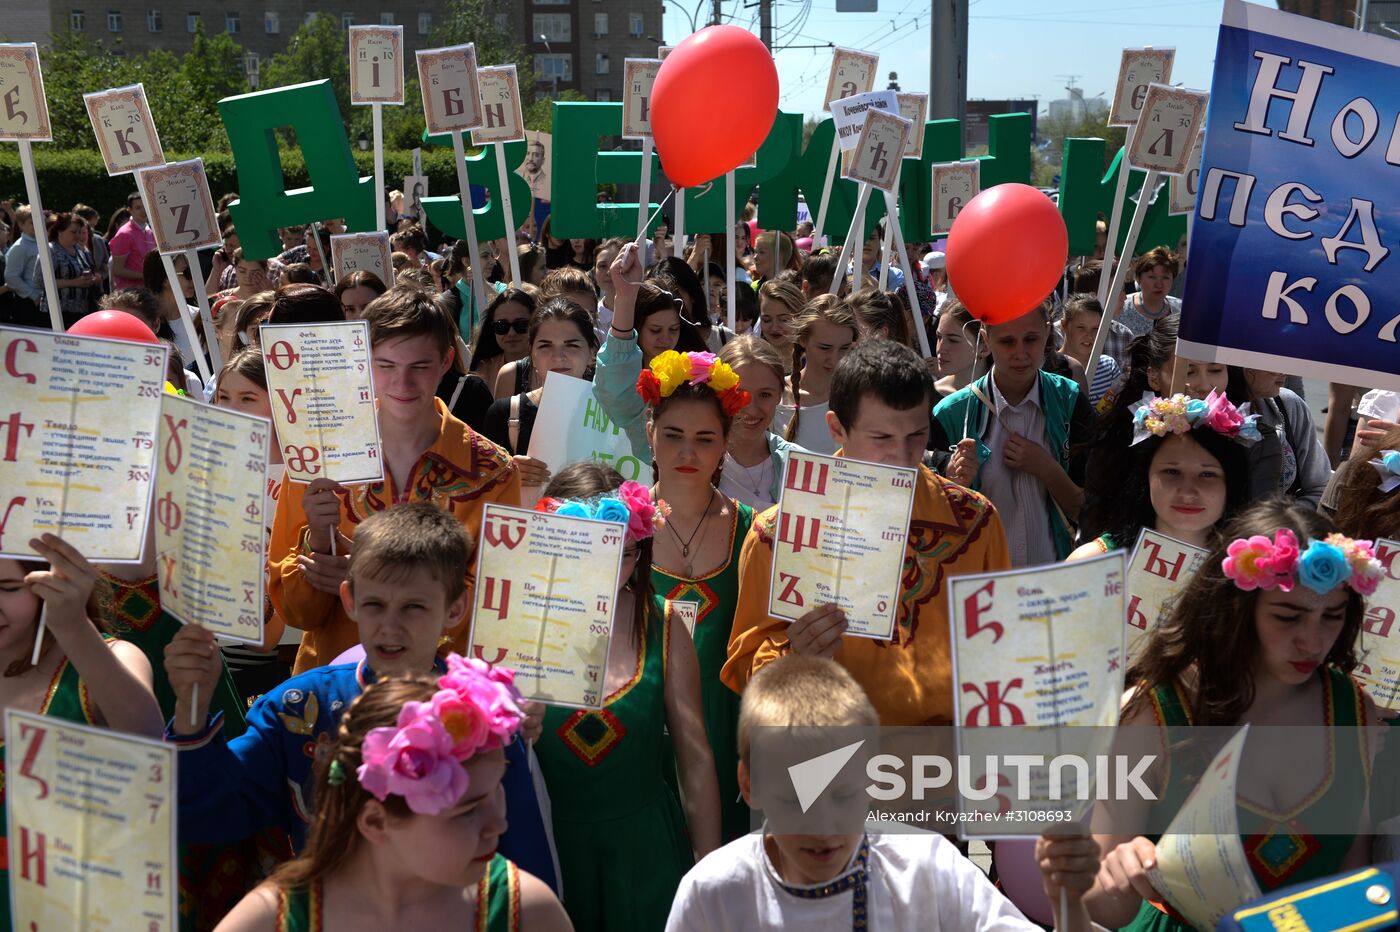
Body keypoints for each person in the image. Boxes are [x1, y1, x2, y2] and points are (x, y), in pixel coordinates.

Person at [169, 505, 556, 891]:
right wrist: (192, 707)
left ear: (455, 608)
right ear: (350, 600)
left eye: (413, 607)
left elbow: (522, 870)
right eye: (375, 604)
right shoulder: (297, 709)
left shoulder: (480, 717)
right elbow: (210, 812)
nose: (391, 626)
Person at [1085, 500, 1379, 930]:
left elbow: (1352, 880)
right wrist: (1120, 877)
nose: (1313, 642)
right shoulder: (1153, 713)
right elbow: (1097, 906)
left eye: (1332, 616)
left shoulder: (1354, 711)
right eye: (1287, 617)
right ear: (1236, 610)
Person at [669, 654, 1102, 931]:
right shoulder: (714, 895)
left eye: (843, 796)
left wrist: (1068, 906)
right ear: (750, 785)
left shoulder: (927, 869)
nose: (823, 827)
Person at [723, 339, 1011, 724]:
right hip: (831, 765)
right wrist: (794, 658)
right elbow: (746, 669)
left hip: (942, 769)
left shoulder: (975, 522)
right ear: (837, 428)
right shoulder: (777, 533)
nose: (903, 456)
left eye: (917, 436)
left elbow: (1002, 657)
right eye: (882, 438)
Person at [268, 289, 521, 672]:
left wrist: (371, 577)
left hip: (443, 697)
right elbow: (296, 613)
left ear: (446, 362)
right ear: (362, 363)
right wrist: (318, 541)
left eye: (419, 366)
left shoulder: (493, 471)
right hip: (334, 692)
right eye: (386, 365)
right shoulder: (317, 453)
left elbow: (496, 604)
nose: (402, 383)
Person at [213, 664, 571, 932]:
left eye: (496, 792)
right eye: (467, 811)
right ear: (375, 822)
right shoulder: (275, 919)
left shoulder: (524, 913)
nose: (499, 823)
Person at [534, 465, 721, 930]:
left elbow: (694, 757)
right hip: (550, 855)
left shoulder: (665, 622)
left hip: (646, 856)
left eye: (625, 553)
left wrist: (710, 877)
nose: (607, 569)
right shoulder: (515, 629)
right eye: (590, 550)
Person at [0, 538, 165, 918]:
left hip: (73, 907)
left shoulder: (112, 659)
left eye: (7, 588)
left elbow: (148, 745)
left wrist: (73, 627)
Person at [633, 347, 758, 840]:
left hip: (730, 728)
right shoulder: (619, 530)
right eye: (674, 436)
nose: (688, 453)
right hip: (645, 732)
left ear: (726, 443)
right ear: (650, 434)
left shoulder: (753, 532)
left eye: (705, 439)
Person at [932, 301, 1094, 565]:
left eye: (1030, 339)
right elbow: (930, 519)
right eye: (1007, 342)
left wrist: (1047, 469)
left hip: (1054, 582)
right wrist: (955, 482)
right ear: (985, 341)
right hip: (982, 587)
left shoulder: (1070, 401)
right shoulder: (950, 415)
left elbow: (1091, 510)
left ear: (1046, 334)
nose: (1021, 353)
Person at [1067, 392, 1255, 559]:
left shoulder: (1253, 574)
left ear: (1232, 482)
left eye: (1207, 474)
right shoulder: (1093, 562)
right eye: (1172, 472)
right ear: (1145, 476)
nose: (1187, 494)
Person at [212, 347, 291, 700]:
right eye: (223, 397)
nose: (231, 409)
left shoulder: (302, 477)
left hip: (286, 651)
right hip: (216, 646)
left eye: (247, 398)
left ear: (279, 404)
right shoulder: (202, 470)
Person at [592, 246, 696, 459]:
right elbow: (616, 385)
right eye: (655, 330)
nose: (665, 338)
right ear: (638, 326)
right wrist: (625, 297)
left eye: (673, 330)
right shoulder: (623, 379)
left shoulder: (695, 374)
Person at [482, 297, 598, 478]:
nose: (558, 356)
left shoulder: (616, 414)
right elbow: (486, 491)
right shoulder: (504, 415)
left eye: (572, 345)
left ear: (592, 353)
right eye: (545, 346)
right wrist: (507, 476)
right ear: (532, 356)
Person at [717, 336, 800, 511]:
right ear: (718, 393)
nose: (752, 409)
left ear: (779, 394)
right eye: (739, 394)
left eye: (764, 395)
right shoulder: (699, 460)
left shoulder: (799, 464)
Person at [772, 295, 859, 455]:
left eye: (844, 348)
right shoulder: (776, 396)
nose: (835, 359)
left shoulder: (860, 399)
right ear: (803, 340)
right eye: (825, 348)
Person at [1239, 367, 1332, 508]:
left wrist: (1283, 521)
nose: (1284, 371)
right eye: (1273, 364)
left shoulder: (1289, 404)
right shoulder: (1201, 415)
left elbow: (1321, 488)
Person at [467, 287, 536, 400]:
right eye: (501, 326)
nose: (511, 333)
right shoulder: (483, 371)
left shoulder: (550, 365)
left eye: (521, 324)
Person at [1058, 294, 1123, 405]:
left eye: (1095, 328)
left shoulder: (1109, 367)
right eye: (1081, 328)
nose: (1089, 335)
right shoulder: (1049, 368)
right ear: (1064, 325)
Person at [43, 211, 100, 327]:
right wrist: (74, 282)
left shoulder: (80, 250)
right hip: (57, 313)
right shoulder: (50, 250)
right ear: (60, 231)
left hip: (80, 311)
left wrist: (91, 279)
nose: (78, 236)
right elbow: (41, 282)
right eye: (73, 232)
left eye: (80, 232)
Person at [1117, 246, 1181, 337]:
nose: (1159, 284)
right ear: (1138, 278)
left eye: (1165, 278)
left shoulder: (1180, 310)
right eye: (1152, 277)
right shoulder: (1119, 308)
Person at [934, 300, 989, 400]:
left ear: (984, 348)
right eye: (939, 337)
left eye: (953, 340)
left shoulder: (1009, 394)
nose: (940, 349)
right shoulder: (929, 397)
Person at [3, 204, 43, 325]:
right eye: (32, 222)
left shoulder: (41, 243)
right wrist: (34, 296)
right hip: (29, 303)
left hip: (42, 300)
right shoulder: (20, 247)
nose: (36, 225)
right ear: (21, 225)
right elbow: (11, 277)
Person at [109, 192, 156, 290]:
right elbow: (117, 270)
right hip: (131, 294)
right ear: (130, 210)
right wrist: (145, 276)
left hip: (148, 290)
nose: (143, 211)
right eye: (138, 208)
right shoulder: (124, 234)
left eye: (145, 206)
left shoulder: (149, 230)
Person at [756, 279, 803, 368]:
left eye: (784, 319)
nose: (774, 328)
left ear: (800, 317)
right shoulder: (751, 361)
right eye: (767, 320)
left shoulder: (814, 360)